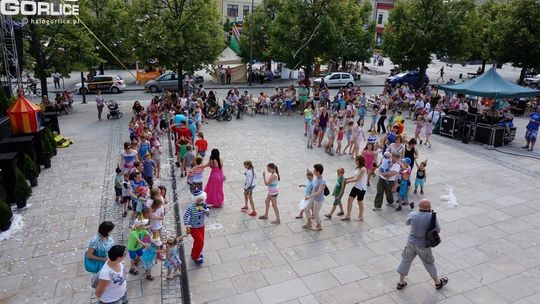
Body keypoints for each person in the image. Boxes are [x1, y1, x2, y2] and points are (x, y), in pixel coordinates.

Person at [396, 199, 448, 290]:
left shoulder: (413, 214)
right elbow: (438, 230)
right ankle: (437, 283)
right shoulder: (431, 216)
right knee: (429, 263)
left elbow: (407, 223)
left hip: (411, 243)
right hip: (424, 245)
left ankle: (401, 282)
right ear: (429, 207)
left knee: (405, 261)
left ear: (419, 206)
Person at [183, 189, 210, 264]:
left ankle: (194, 253)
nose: (200, 201)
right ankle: (196, 257)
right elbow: (185, 216)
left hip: (202, 226)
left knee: (197, 242)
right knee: (200, 242)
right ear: (195, 199)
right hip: (194, 228)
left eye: (201, 199)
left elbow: (208, 215)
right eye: (199, 200)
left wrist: (207, 211)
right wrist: (187, 225)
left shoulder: (204, 205)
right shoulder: (191, 207)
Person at [343, 156, 367, 221]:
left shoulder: (363, 169)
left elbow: (358, 179)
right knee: (349, 200)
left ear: (360, 161)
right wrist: (347, 178)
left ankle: (361, 216)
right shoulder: (358, 168)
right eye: (356, 160)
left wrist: (348, 181)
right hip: (356, 186)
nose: (355, 161)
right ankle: (348, 215)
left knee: (360, 202)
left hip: (361, 188)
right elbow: (354, 176)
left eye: (357, 160)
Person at [303, 164, 326, 231]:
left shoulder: (323, 181)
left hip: (319, 200)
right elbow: (313, 187)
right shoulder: (316, 178)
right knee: (306, 208)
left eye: (314, 170)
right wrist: (308, 194)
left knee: (315, 213)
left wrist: (309, 196)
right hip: (313, 197)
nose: (313, 171)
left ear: (318, 171)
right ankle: (309, 223)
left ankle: (319, 225)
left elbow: (319, 192)